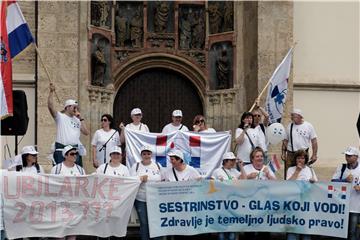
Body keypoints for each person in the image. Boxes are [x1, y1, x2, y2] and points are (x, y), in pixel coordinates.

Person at [48, 83, 90, 166]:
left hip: (74, 150)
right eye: (74, 107)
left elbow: (86, 132)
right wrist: (51, 92)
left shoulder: (77, 120)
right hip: (62, 149)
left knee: (76, 173)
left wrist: (81, 118)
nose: (76, 109)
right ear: (67, 107)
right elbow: (50, 106)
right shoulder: (60, 117)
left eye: (76, 107)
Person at [50, 145, 85, 240]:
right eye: (72, 154)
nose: (75, 156)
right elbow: (51, 186)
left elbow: (84, 186)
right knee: (60, 233)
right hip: (60, 205)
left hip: (75, 205)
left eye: (76, 153)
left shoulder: (81, 170)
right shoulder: (57, 169)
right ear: (65, 156)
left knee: (72, 233)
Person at [130, 145, 162, 240]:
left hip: (155, 200)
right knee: (144, 223)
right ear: (141, 155)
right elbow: (130, 181)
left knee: (155, 222)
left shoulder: (157, 165)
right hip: (141, 199)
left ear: (151, 155)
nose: (146, 156)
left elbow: (164, 179)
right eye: (144, 154)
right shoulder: (135, 166)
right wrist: (139, 179)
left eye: (148, 153)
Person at [286, 150, 317, 240]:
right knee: (293, 230)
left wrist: (313, 182)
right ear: (295, 159)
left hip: (306, 204)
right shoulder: (290, 169)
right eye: (298, 158)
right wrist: (297, 171)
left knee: (306, 231)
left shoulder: (310, 170)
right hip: (293, 204)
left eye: (302, 158)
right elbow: (288, 185)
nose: (300, 160)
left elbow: (316, 186)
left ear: (305, 159)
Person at [331, 146, 360, 240]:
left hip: (355, 206)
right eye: (346, 155)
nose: (347, 157)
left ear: (356, 156)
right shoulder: (342, 167)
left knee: (353, 232)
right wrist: (344, 180)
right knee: (341, 233)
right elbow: (332, 182)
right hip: (341, 206)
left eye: (349, 156)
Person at [282, 109, 318, 176]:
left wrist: (314, 154)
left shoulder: (308, 126)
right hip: (291, 154)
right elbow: (285, 141)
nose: (292, 117)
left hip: (303, 155)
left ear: (300, 117)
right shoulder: (290, 126)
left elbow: (314, 141)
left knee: (303, 173)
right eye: (292, 116)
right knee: (289, 172)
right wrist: (283, 153)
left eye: (294, 116)